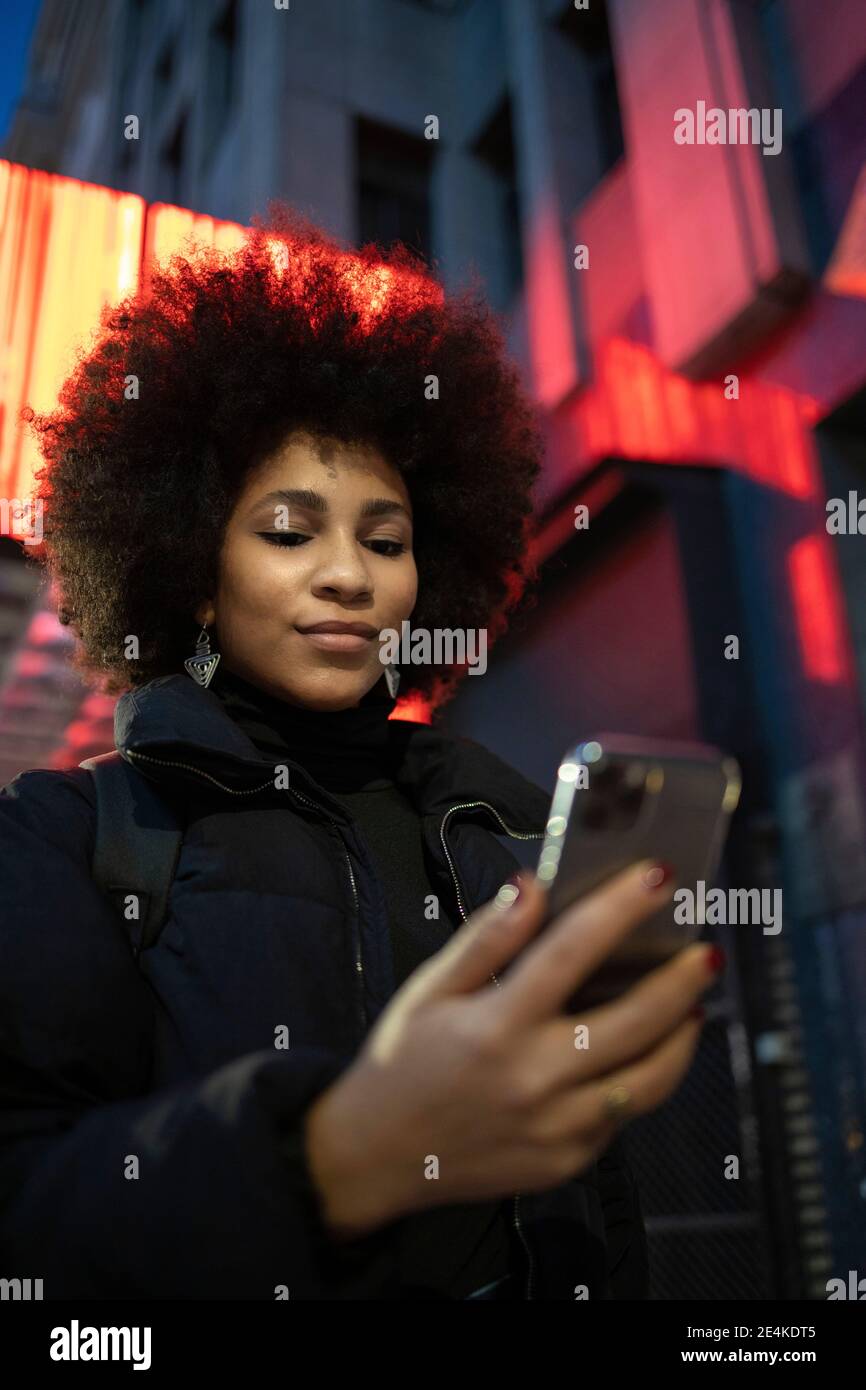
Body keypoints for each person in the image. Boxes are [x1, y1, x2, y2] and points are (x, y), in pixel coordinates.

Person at [0, 210, 720, 1300]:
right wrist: (332, 1156)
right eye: (289, 532)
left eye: (385, 541)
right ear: (192, 567)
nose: (350, 576)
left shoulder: (502, 816)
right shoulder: (66, 843)